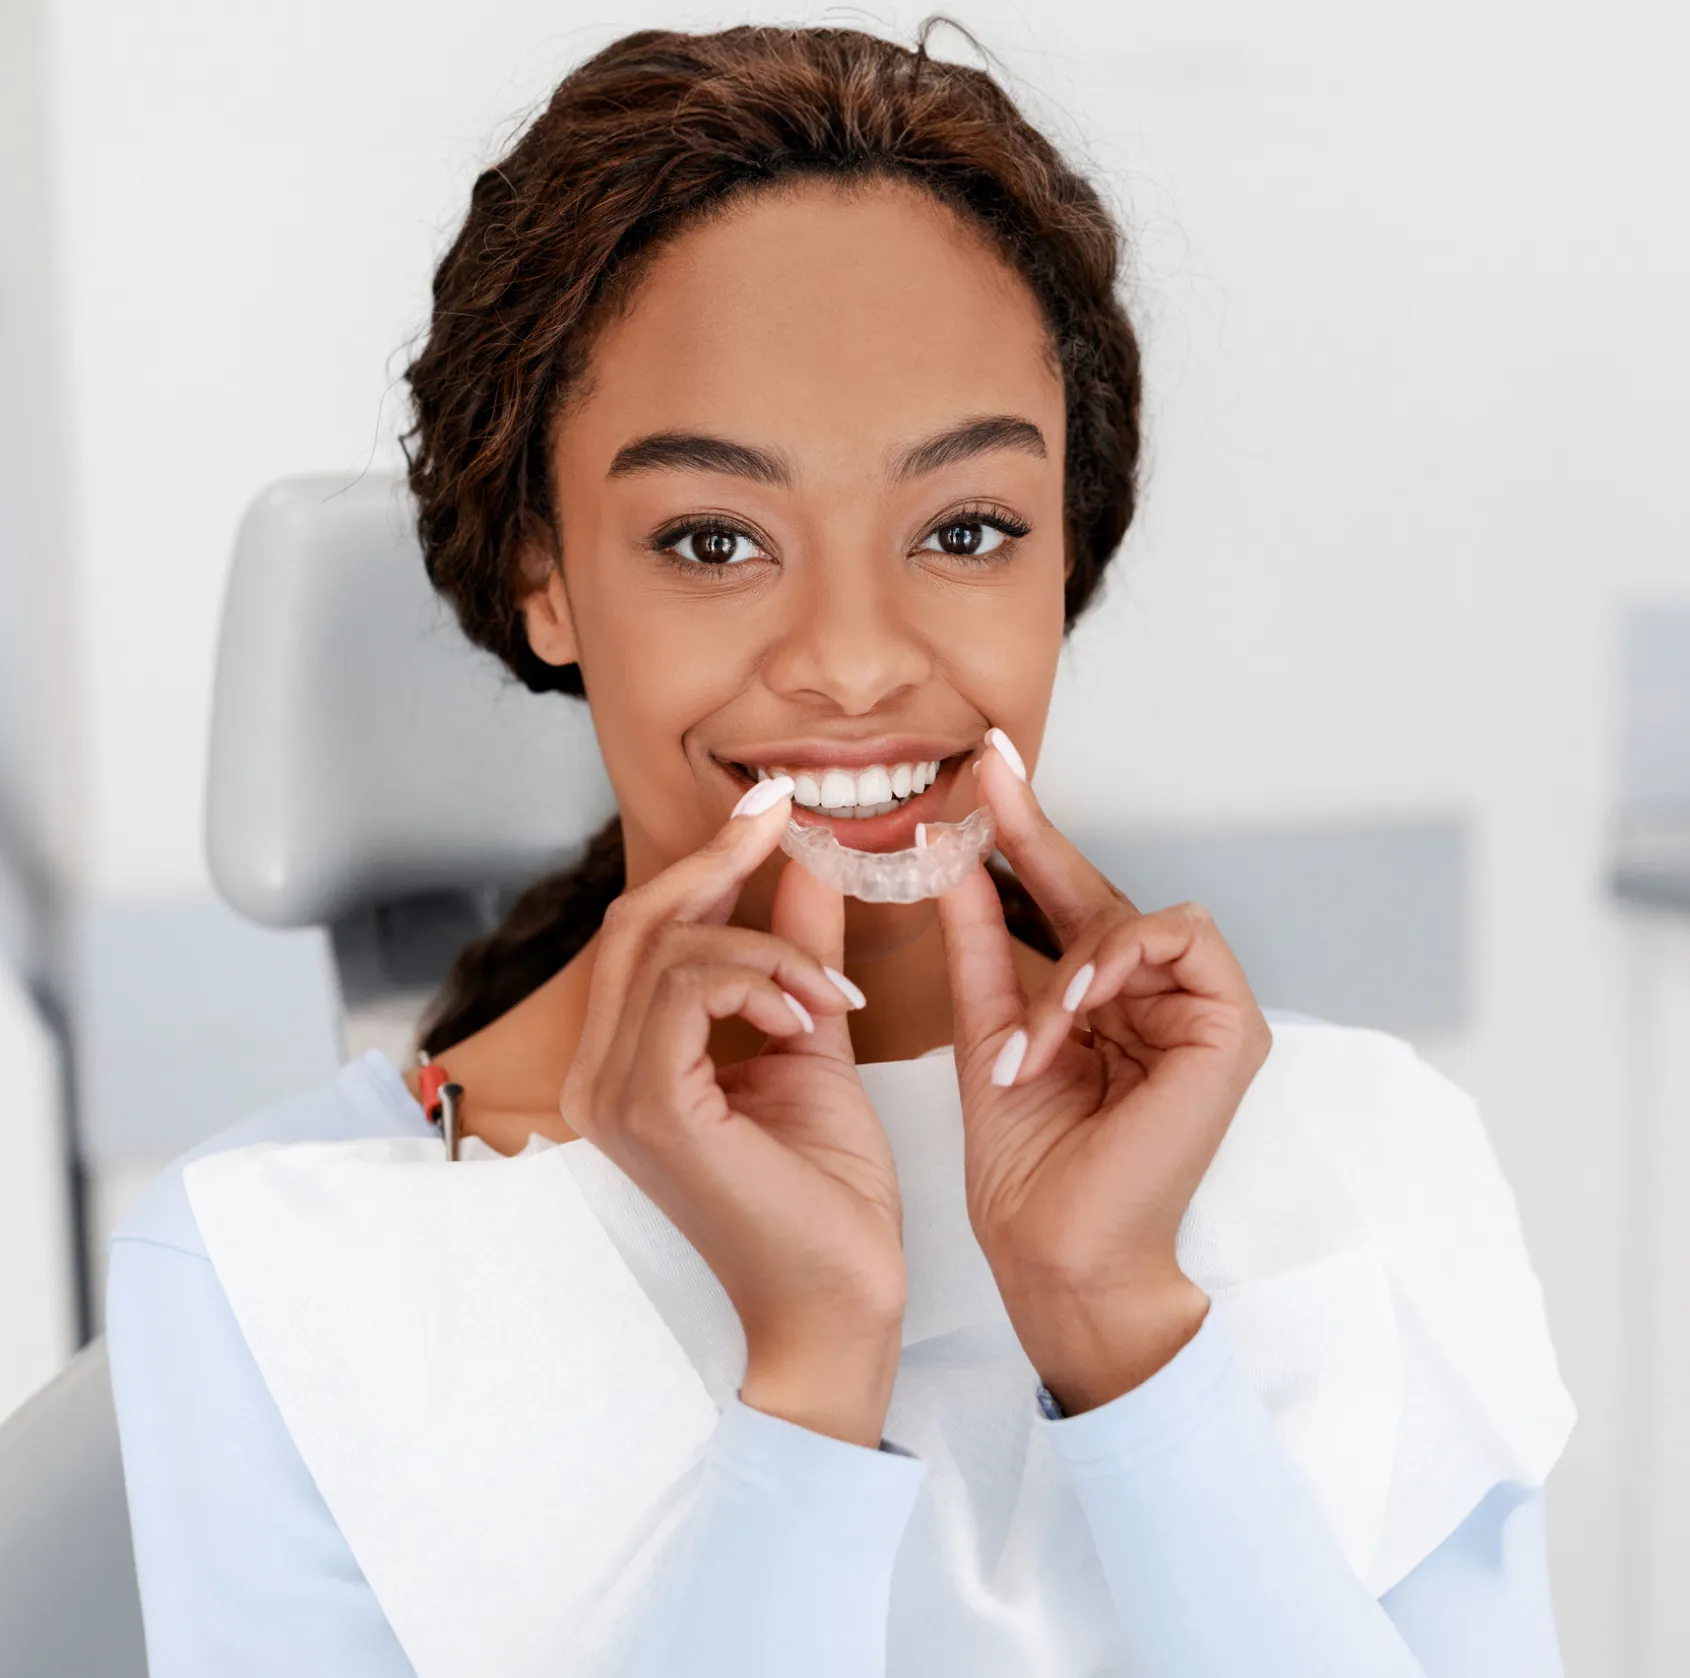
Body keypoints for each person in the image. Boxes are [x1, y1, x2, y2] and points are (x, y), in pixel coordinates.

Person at [106, 21, 1574, 1677]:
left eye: (965, 528)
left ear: (1064, 551)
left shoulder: (1364, 1157)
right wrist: (808, 1378)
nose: (858, 661)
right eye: (711, 540)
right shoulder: (276, 1269)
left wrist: (1120, 1329)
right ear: (544, 575)